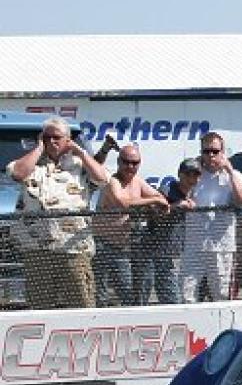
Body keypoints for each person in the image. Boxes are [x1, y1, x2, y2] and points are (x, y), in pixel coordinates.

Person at [3, 117, 111, 309]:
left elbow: (102, 179)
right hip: (37, 251)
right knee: (40, 307)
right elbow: (17, 174)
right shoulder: (32, 164)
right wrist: (39, 148)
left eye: (57, 137)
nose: (51, 141)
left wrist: (79, 151)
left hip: (73, 249)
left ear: (68, 139)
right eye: (47, 137)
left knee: (80, 304)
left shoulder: (80, 166)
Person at [92, 143, 169, 306]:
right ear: (119, 162)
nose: (130, 166)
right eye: (126, 162)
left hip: (123, 247)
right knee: (100, 295)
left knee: (129, 291)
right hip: (103, 245)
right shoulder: (112, 181)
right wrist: (153, 201)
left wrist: (155, 203)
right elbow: (122, 202)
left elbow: (160, 198)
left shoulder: (137, 181)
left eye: (134, 163)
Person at [181, 132, 242, 302]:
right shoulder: (194, 175)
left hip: (221, 246)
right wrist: (191, 173)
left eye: (215, 151)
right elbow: (180, 195)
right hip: (195, 245)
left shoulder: (233, 175)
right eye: (206, 151)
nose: (210, 155)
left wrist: (229, 171)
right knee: (186, 293)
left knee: (222, 293)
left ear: (222, 152)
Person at [135, 158, 198, 305]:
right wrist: (176, 206)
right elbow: (152, 214)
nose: (191, 178)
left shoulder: (195, 193)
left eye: (195, 174)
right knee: (142, 294)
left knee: (171, 298)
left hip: (170, 253)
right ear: (180, 174)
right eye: (188, 174)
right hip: (150, 250)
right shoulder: (167, 190)